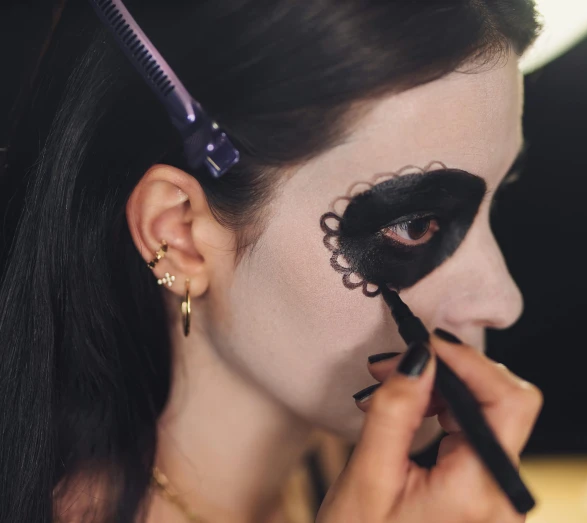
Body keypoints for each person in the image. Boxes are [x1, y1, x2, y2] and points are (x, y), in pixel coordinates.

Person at [0, 1, 543, 522]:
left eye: (498, 198)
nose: (503, 302)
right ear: (180, 234)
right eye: (414, 224)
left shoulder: (341, 468)